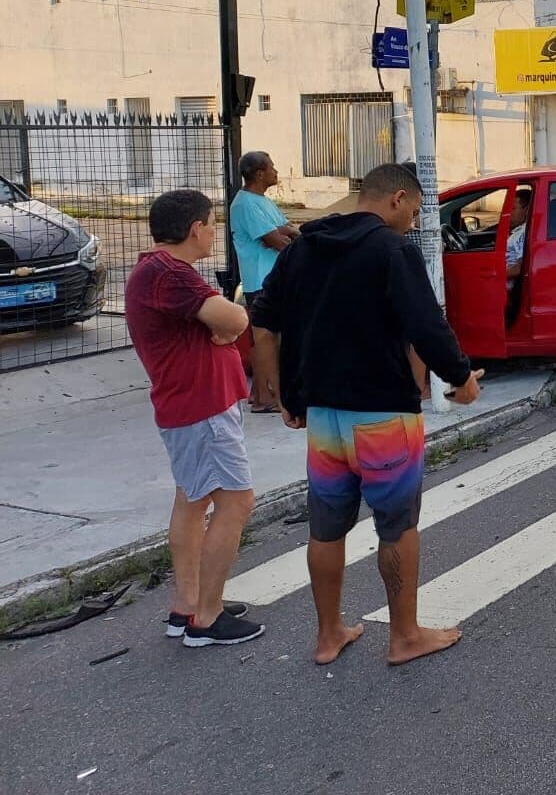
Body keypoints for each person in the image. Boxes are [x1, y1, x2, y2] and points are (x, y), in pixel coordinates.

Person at [250, 163, 483, 666]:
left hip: (323, 417)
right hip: (383, 415)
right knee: (397, 527)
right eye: (416, 212)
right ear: (397, 199)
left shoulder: (302, 249)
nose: (414, 222)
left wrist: (285, 394)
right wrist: (461, 379)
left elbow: (264, 323)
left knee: (326, 528)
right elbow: (426, 324)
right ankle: (404, 637)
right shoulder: (392, 251)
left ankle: (329, 634)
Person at [124, 189, 264, 648]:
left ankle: (188, 605)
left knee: (193, 501)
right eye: (210, 224)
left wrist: (221, 329)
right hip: (201, 410)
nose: (212, 233)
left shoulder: (156, 272)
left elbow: (218, 324)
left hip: (191, 406)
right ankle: (207, 616)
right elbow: (235, 317)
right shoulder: (171, 275)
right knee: (236, 501)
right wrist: (226, 327)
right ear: (194, 229)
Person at [230, 151, 298, 411]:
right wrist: (286, 232)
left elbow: (286, 228)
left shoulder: (262, 201)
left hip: (273, 278)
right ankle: (263, 397)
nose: (276, 171)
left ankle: (265, 393)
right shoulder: (246, 204)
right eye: (271, 167)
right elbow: (278, 241)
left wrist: (287, 231)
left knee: (274, 339)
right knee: (265, 340)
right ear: (259, 174)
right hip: (261, 281)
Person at [504, 188, 532, 286]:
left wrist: (496, 274)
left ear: (527, 210)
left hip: (506, 289)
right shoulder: (518, 230)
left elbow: (520, 268)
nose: (509, 213)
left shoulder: (523, 233)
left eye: (513, 209)